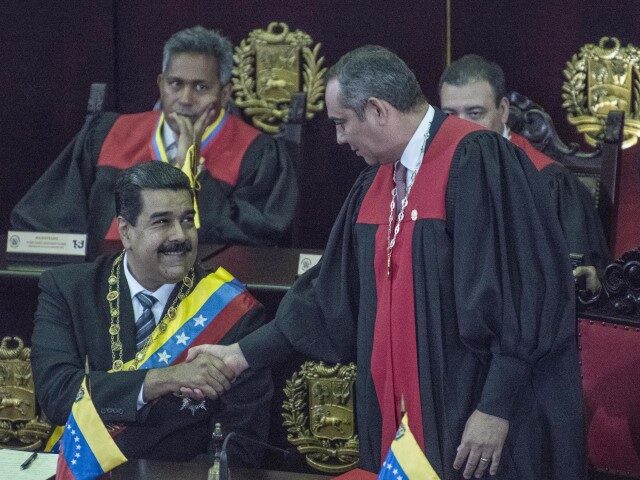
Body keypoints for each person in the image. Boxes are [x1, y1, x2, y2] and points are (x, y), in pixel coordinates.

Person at [185, 46, 586, 479]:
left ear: (377, 110)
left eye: (342, 122)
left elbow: (523, 295)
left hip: (482, 419)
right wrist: (239, 356)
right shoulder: (375, 184)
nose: (339, 138)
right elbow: (329, 296)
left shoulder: (477, 160)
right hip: (401, 422)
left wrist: (496, 407)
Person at [31, 161, 272, 465]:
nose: (180, 236)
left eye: (187, 220)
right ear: (126, 231)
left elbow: (243, 444)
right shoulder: (68, 289)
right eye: (162, 222)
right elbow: (58, 395)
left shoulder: (234, 310)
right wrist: (164, 378)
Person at [11, 26, 298, 251]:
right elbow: (46, 217)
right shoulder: (109, 133)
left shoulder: (256, 153)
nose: (185, 99)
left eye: (201, 87)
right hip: (103, 285)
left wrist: (193, 170)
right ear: (161, 84)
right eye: (176, 84)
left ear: (224, 93)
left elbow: (256, 240)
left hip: (202, 300)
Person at [439, 54, 609, 285]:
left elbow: (580, 277)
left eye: (475, 113)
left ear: (503, 110)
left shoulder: (551, 182)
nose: (461, 126)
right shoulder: (431, 175)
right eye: (450, 115)